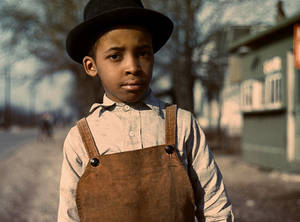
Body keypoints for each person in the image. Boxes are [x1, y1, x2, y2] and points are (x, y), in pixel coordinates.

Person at [58, 0, 234, 221]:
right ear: (91, 66)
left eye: (143, 53)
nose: (133, 67)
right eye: (115, 56)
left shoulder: (182, 124)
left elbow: (214, 205)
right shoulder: (81, 139)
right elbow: (69, 215)